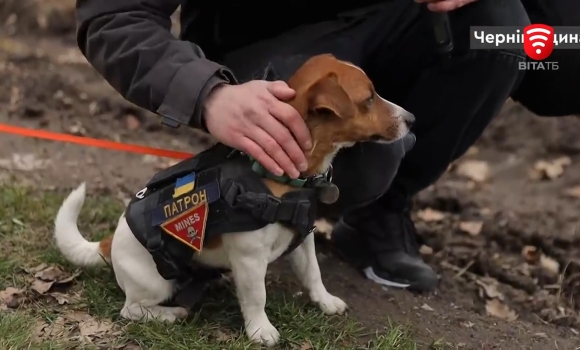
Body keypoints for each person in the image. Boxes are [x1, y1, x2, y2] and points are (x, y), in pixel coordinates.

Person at [75, 0, 574, 293]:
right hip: (264, 50)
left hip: (388, 23)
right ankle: (269, 214)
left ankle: (382, 212)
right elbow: (115, 15)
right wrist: (209, 92)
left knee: (500, 26)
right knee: (359, 165)